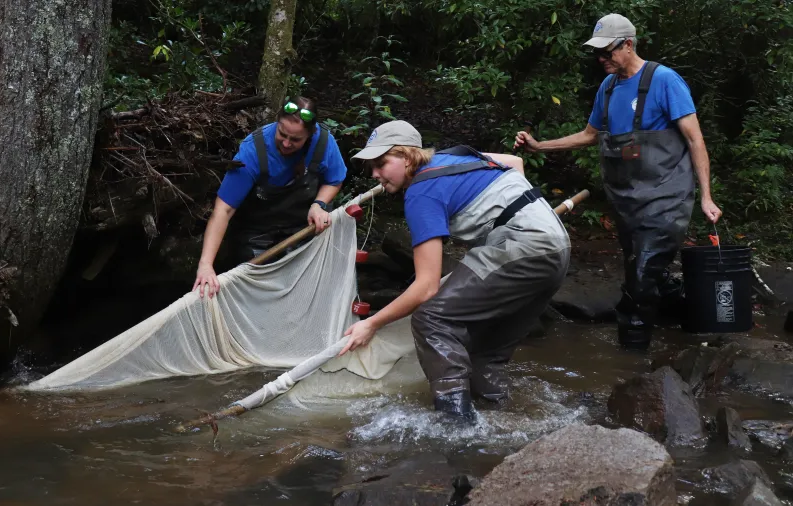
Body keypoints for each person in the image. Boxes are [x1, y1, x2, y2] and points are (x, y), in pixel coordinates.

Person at [514, 13, 722, 348]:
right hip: (627, 202)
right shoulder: (608, 89)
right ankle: (685, 309)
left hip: (667, 198)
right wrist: (540, 146)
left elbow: (696, 140)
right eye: (597, 52)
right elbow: (588, 135)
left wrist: (706, 197)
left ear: (627, 44)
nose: (601, 58)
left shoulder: (665, 81)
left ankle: (632, 356)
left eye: (607, 51)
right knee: (640, 269)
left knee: (641, 276)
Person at [339, 120, 570, 421]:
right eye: (370, 167)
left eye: (381, 163)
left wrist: (371, 325)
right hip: (557, 248)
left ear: (407, 157)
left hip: (524, 248)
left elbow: (426, 288)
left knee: (431, 319)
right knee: (485, 354)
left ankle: (454, 424)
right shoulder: (459, 157)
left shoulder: (421, 192)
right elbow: (515, 162)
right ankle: (497, 420)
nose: (375, 174)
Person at [193, 96, 348, 298]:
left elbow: (335, 180)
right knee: (259, 292)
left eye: (295, 140)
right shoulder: (253, 151)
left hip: (304, 227)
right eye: (282, 134)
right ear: (277, 122)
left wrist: (319, 204)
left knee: (308, 287)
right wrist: (205, 264)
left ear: (310, 135)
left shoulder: (324, 142)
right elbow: (224, 209)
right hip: (257, 234)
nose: (286, 143)